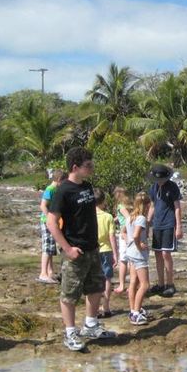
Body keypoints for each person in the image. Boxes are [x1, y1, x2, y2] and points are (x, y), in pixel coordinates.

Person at [47, 147, 116, 351]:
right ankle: (70, 333)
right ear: (75, 167)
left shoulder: (87, 186)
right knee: (69, 294)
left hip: (93, 248)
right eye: (88, 165)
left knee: (96, 288)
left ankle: (91, 325)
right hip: (74, 251)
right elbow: (51, 222)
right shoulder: (63, 191)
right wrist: (67, 249)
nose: (92, 168)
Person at [147, 163, 182, 297]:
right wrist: (147, 223)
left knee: (166, 253)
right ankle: (161, 284)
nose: (159, 181)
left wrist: (179, 227)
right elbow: (152, 206)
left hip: (169, 223)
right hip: (157, 224)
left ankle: (170, 284)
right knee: (157, 254)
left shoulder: (172, 187)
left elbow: (177, 207)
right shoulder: (153, 187)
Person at [125, 191, 151, 325]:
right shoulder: (141, 218)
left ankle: (133, 310)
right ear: (146, 205)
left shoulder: (130, 217)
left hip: (130, 253)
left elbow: (124, 232)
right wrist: (139, 245)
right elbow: (136, 235)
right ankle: (136, 313)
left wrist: (130, 242)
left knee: (133, 282)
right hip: (138, 255)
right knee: (145, 284)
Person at [93, 188, 118, 318]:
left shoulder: (89, 216)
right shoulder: (108, 217)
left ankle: (95, 309)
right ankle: (106, 307)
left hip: (93, 250)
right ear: (103, 201)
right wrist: (116, 254)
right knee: (107, 278)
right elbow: (112, 237)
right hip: (106, 250)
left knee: (94, 280)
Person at [37, 169, 65, 283]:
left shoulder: (55, 189)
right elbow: (43, 205)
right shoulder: (50, 189)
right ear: (59, 180)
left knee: (51, 248)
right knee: (47, 247)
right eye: (64, 182)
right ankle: (43, 273)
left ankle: (50, 272)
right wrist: (49, 218)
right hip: (47, 221)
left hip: (52, 222)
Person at [112, 186, 132, 294]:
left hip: (125, 235)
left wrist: (123, 230)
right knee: (132, 260)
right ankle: (132, 284)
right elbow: (123, 217)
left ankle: (122, 285)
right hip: (131, 233)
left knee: (123, 260)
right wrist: (112, 220)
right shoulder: (130, 205)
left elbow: (128, 218)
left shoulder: (121, 206)